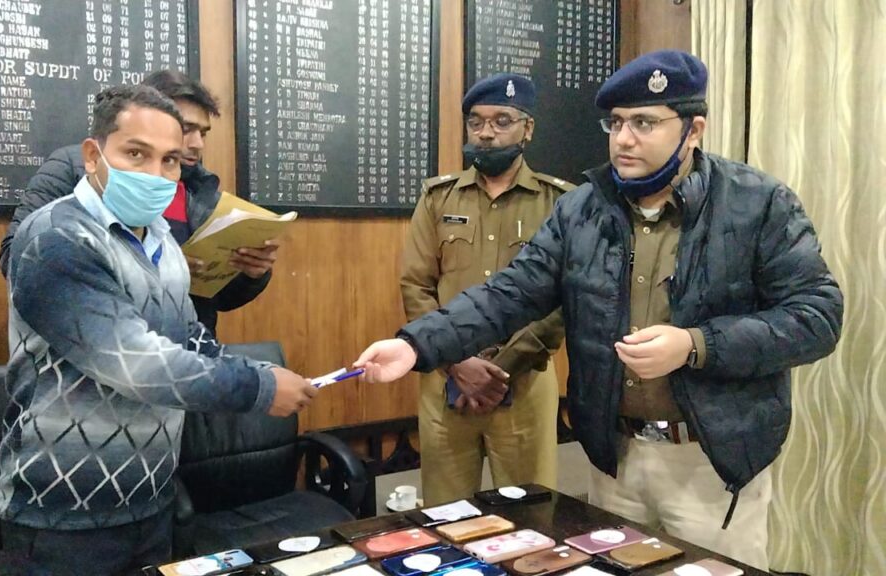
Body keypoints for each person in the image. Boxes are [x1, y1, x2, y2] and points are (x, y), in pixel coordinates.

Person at [353, 50, 843, 570]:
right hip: (615, 458)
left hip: (710, 462)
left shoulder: (757, 203)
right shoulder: (582, 208)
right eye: (616, 122)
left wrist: (696, 345)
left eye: (644, 123)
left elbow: (816, 316)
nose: (624, 139)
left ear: (693, 130)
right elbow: (509, 293)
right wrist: (416, 345)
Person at [0, 84, 317, 575]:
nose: (154, 174)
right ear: (92, 155)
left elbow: (190, 337)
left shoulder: (162, 240)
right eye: (135, 154)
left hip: (150, 497)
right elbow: (137, 364)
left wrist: (260, 371)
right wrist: (259, 387)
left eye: (169, 161)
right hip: (61, 513)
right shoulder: (56, 236)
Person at [0, 69, 276, 334]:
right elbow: (17, 257)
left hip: (184, 354)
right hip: (95, 345)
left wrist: (251, 274)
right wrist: (155, 268)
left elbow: (217, 301)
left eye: (202, 133)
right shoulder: (71, 169)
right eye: (186, 128)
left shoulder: (201, 193)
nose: (197, 144)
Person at [401, 73, 569, 505]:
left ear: (527, 129)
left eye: (502, 121)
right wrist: (457, 362)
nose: (486, 133)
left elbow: (564, 300)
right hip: (447, 384)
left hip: (525, 383)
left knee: (530, 515)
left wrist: (501, 369)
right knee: (445, 515)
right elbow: (416, 285)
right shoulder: (438, 198)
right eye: (476, 122)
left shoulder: (558, 203)